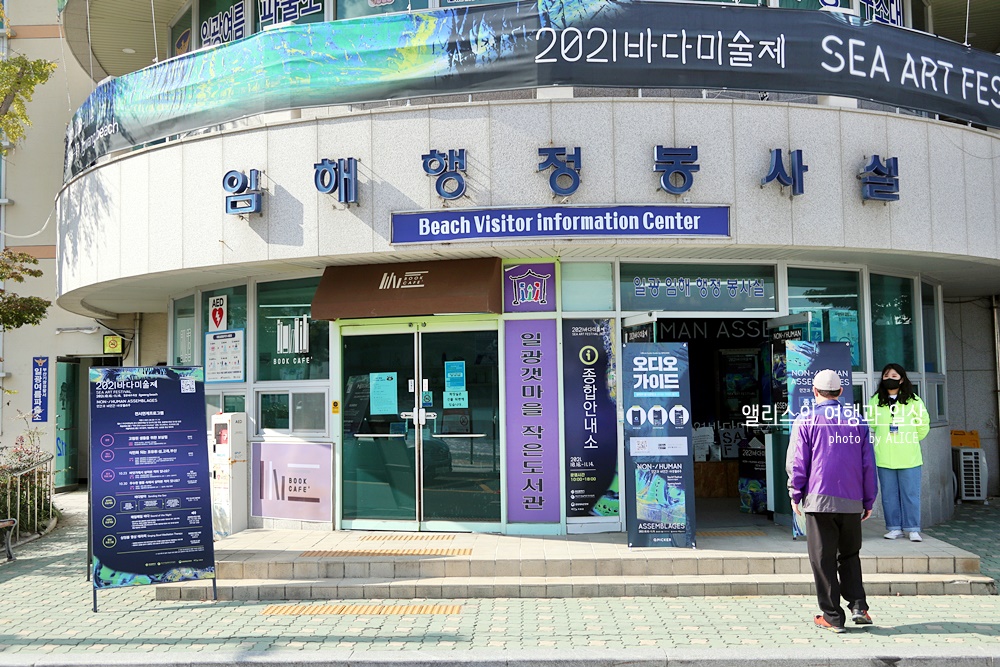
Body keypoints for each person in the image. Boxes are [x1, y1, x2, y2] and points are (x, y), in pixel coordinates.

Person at [787, 369, 878, 633]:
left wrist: (795, 493)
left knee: (823, 558)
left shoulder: (806, 419)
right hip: (851, 500)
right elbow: (868, 464)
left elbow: (798, 461)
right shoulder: (857, 420)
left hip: (819, 500)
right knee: (849, 554)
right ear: (840, 392)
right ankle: (859, 607)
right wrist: (868, 500)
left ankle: (833, 617)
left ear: (814, 392)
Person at [868, 363, 930, 542]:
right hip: (885, 455)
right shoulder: (876, 400)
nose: (890, 379)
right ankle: (894, 527)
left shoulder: (914, 400)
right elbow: (872, 422)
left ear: (902, 379)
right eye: (886, 376)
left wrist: (909, 439)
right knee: (889, 495)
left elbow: (923, 425)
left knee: (910, 494)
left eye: (894, 376)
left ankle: (912, 528)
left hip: (909, 456)